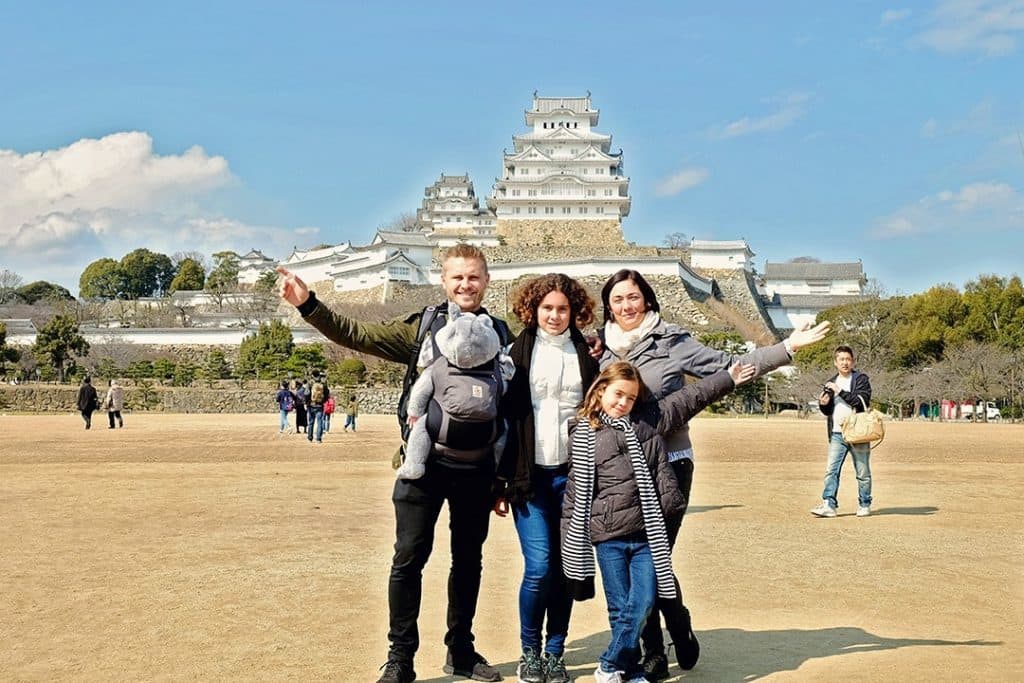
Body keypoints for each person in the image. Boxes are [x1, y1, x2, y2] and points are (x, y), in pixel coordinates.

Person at [277, 243, 508, 683]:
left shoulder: (500, 333)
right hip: (422, 464)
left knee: (468, 560)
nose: (465, 284)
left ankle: (461, 649)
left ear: (486, 280)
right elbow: (357, 334)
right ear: (443, 281)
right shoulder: (421, 328)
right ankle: (400, 657)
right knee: (408, 558)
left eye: (473, 277)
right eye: (457, 277)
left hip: (477, 468)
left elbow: (518, 397)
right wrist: (309, 305)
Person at [597, 269, 831, 679]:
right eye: (617, 300)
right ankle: (667, 635)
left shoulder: (671, 341)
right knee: (642, 561)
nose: (626, 306)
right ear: (608, 307)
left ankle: (663, 642)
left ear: (648, 300)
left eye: (633, 297)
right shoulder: (600, 351)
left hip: (669, 463)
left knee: (652, 560)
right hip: (622, 471)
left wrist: (786, 348)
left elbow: (730, 367)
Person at [561, 360, 757, 683]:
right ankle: (633, 668)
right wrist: (570, 545)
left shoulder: (647, 427)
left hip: (647, 533)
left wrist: (729, 377)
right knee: (620, 607)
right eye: (618, 394)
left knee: (645, 601)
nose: (623, 403)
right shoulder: (584, 434)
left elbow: (691, 398)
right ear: (600, 390)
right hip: (608, 536)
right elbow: (576, 495)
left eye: (631, 398)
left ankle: (609, 663)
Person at [495, 274, 599, 683]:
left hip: (573, 475)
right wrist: (500, 481)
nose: (555, 316)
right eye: (547, 308)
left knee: (564, 568)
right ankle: (529, 651)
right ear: (532, 310)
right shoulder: (513, 354)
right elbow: (500, 419)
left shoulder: (587, 354)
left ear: (574, 312)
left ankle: (555, 652)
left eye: (563, 309)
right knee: (539, 567)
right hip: (529, 476)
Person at [811, 345, 874, 518]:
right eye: (841, 359)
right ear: (835, 362)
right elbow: (828, 411)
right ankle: (829, 504)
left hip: (858, 432)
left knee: (862, 471)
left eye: (848, 359)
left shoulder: (861, 379)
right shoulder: (831, 382)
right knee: (831, 470)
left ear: (852, 361)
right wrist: (823, 404)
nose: (845, 363)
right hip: (837, 433)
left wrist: (840, 391)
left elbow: (862, 401)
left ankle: (864, 503)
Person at [307, 371, 330, 443]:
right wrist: (323, 401)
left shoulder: (310, 383)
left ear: (313, 376)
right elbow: (327, 394)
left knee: (311, 422)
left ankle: (310, 437)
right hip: (320, 405)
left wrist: (307, 402)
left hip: (311, 405)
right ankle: (318, 438)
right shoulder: (323, 384)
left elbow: (306, 394)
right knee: (319, 422)